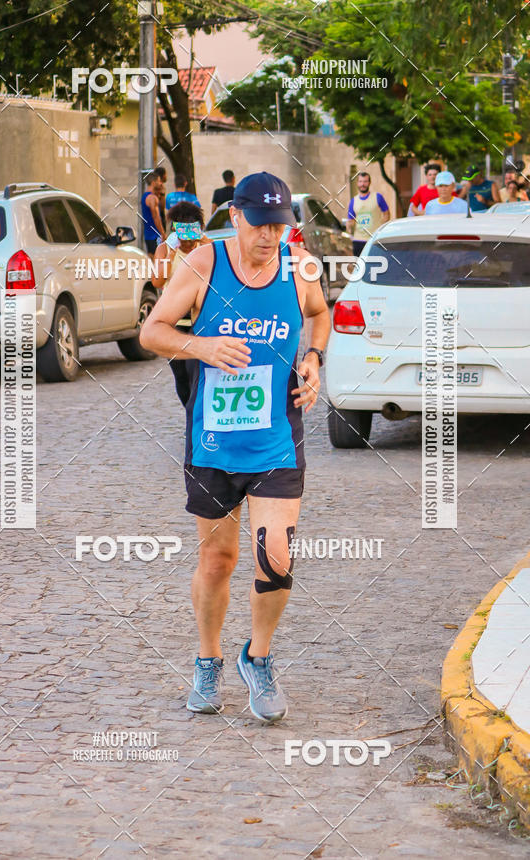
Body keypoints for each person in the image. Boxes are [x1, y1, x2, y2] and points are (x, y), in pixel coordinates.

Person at [140, 171, 330, 723]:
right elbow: (153, 331)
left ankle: (259, 657)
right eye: (262, 223)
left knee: (276, 558)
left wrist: (314, 358)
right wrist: (201, 345)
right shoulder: (203, 264)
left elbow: (320, 315)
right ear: (237, 216)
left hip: (276, 437)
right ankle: (207, 659)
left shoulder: (300, 269)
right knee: (218, 560)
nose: (272, 236)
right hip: (213, 441)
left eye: (281, 224)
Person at [151, 201, 210, 406]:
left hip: (200, 321)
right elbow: (158, 281)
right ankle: (190, 414)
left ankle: (197, 420)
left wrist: (204, 242)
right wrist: (172, 254)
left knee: (198, 374)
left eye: (191, 239)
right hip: (174, 322)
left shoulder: (206, 248)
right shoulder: (164, 250)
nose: (188, 245)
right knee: (182, 377)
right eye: (184, 239)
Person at [347, 172, 390, 256]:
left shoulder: (378, 197)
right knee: (360, 267)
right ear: (357, 183)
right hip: (358, 241)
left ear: (369, 182)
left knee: (375, 266)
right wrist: (348, 225)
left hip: (374, 239)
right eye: (360, 181)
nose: (363, 184)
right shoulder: (353, 201)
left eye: (365, 181)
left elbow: (387, 214)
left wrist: (381, 227)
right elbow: (351, 220)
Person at [141, 172, 166, 257]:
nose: (161, 183)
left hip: (148, 235)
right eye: (159, 181)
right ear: (153, 182)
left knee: (152, 260)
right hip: (155, 235)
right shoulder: (152, 198)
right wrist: (163, 233)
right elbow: (156, 217)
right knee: (158, 260)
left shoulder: (144, 196)